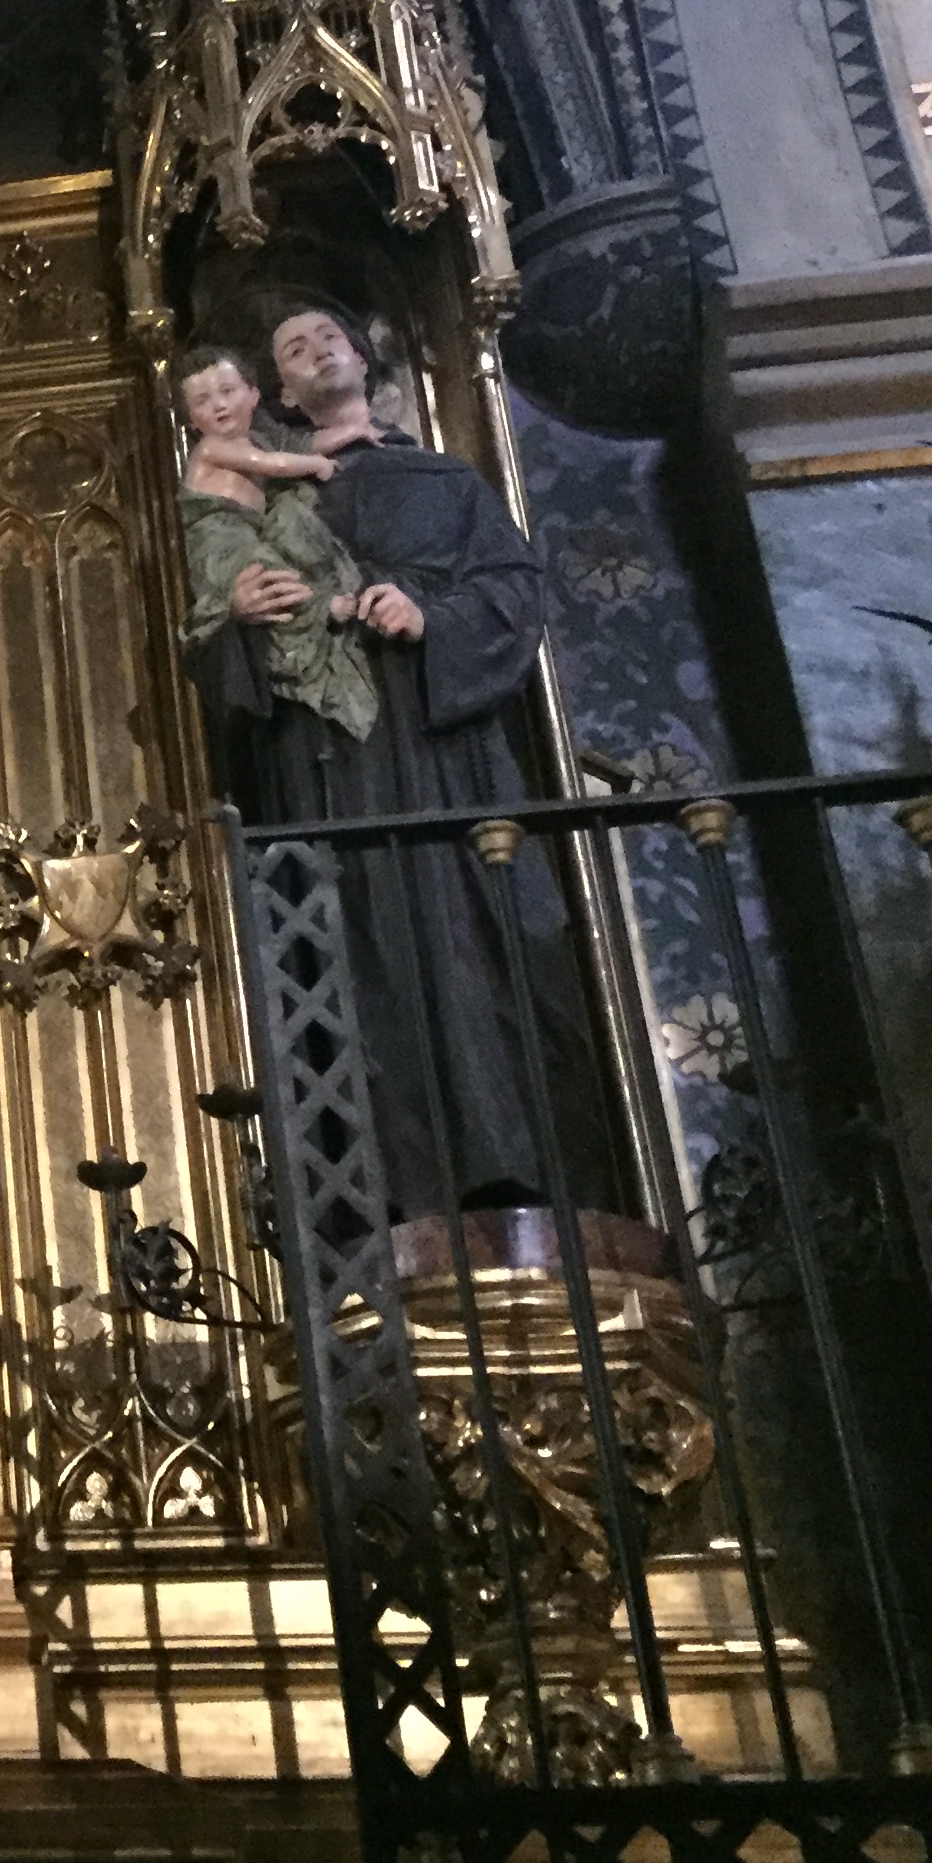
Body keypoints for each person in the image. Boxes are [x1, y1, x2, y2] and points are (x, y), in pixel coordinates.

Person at [186, 302, 600, 1217]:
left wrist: (431, 618)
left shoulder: (442, 480)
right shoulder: (262, 494)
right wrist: (242, 621)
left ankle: (518, 1188)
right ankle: (384, 1208)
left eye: (328, 335)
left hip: (444, 755)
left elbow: (512, 592)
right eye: (293, 347)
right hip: (331, 768)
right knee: (353, 963)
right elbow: (211, 649)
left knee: (482, 953)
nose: (316, 349)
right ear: (274, 392)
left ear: (365, 358)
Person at [175, 342, 376, 746]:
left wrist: (353, 432)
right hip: (220, 537)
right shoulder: (212, 449)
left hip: (248, 531)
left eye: (228, 391)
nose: (218, 405)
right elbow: (278, 465)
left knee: (281, 569)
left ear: (253, 396)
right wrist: (316, 466)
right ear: (192, 419)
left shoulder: (258, 443)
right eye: (202, 400)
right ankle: (322, 609)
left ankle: (318, 614)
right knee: (265, 576)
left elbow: (302, 445)